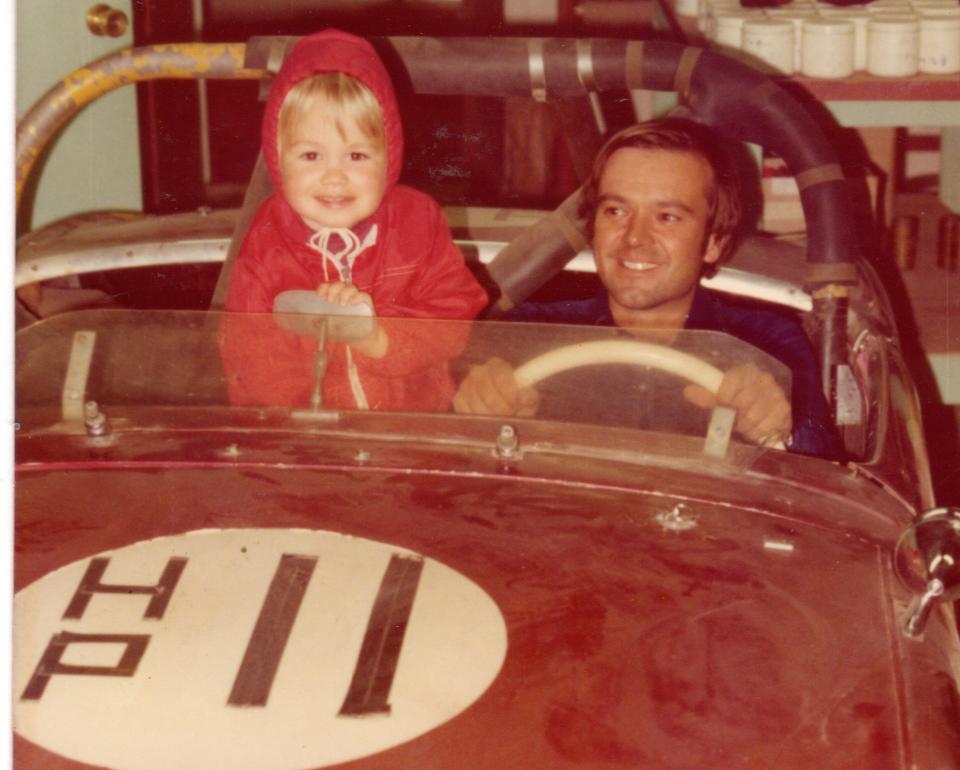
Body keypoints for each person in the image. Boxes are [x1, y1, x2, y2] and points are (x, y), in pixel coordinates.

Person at [454, 118, 841, 458]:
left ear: (713, 242)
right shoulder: (525, 333)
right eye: (616, 212)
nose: (634, 238)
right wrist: (476, 408)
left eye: (667, 217)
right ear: (594, 227)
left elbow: (827, 474)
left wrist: (780, 422)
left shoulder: (766, 341)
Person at [222, 29, 488, 410]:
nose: (335, 177)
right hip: (309, 441)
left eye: (357, 156)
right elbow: (249, 352)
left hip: (413, 431)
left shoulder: (419, 221)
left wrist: (378, 337)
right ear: (278, 158)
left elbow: (455, 311)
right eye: (311, 156)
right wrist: (291, 427)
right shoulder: (267, 240)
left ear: (390, 156)